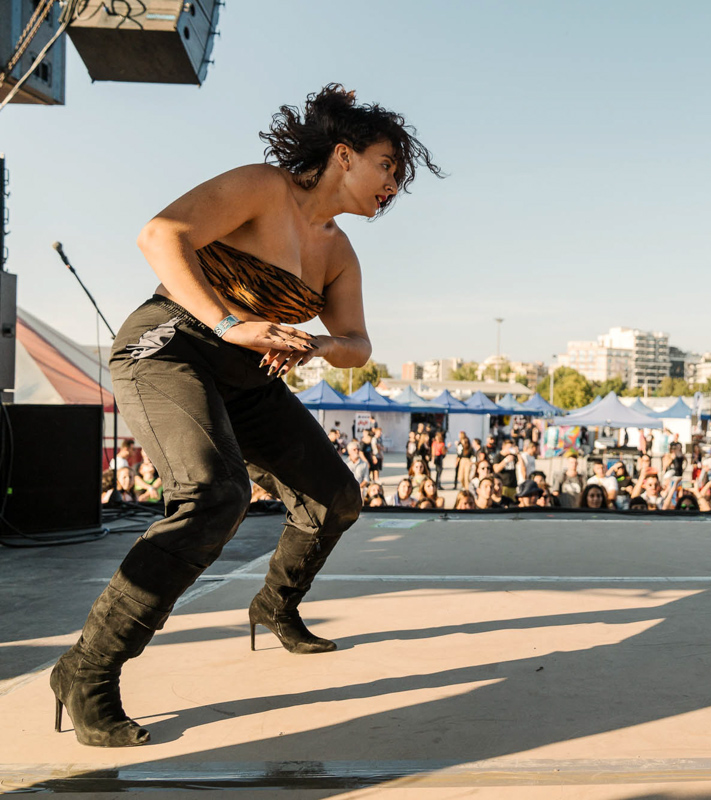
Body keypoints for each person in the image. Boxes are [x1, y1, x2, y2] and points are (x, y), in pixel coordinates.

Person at [52, 84, 438, 748]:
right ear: (343, 155)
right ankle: (87, 669)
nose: (393, 185)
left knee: (335, 498)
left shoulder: (339, 252)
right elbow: (159, 235)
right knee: (213, 495)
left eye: (399, 177)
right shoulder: (264, 187)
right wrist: (230, 323)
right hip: (169, 346)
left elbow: (358, 344)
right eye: (387, 166)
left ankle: (274, 606)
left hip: (248, 377)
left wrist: (319, 345)